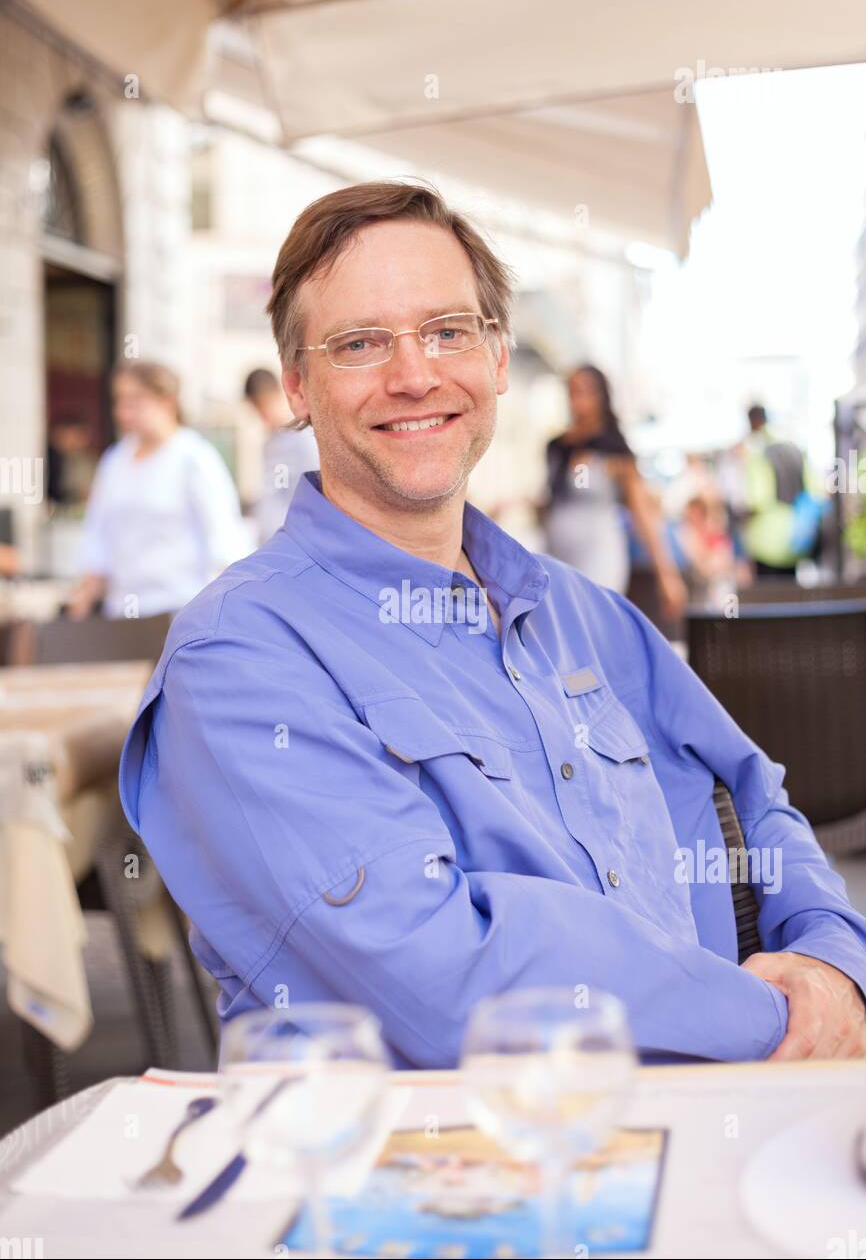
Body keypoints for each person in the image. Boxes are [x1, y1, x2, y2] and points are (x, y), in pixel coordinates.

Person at [119, 181, 866, 1071]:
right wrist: (779, 1019)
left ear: (499, 358)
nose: (415, 375)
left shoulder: (581, 612)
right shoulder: (240, 658)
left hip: (710, 1130)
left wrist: (831, 963)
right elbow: (445, 978)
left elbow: (755, 796)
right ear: (297, 387)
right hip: (421, 1179)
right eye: (360, 344)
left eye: (448, 330)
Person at [67, 361, 251, 620]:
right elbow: (98, 533)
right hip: (123, 614)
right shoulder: (115, 460)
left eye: (135, 401)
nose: (123, 412)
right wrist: (84, 598)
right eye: (119, 401)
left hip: (182, 611)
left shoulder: (194, 458)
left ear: (167, 401)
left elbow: (224, 539)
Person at [542, 366, 687, 621]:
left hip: (599, 554)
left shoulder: (614, 450)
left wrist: (666, 573)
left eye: (585, 392)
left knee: (593, 621)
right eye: (573, 392)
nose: (578, 400)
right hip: (557, 555)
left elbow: (641, 510)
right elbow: (551, 501)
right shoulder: (557, 446)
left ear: (602, 397)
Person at [734, 404, 826, 579]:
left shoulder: (758, 453)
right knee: (791, 592)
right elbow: (815, 490)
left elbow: (757, 498)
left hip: (767, 542)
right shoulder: (795, 449)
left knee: (769, 597)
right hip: (797, 538)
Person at [244, 367, 320, 542]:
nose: (263, 415)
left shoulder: (303, 439)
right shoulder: (271, 442)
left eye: (265, 405)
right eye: (257, 409)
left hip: (298, 540)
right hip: (272, 541)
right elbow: (276, 487)